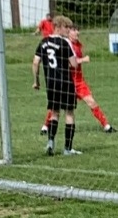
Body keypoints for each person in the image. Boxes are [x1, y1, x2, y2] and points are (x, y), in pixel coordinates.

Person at [42, 26, 116, 135]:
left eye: (78, 30)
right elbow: (65, 63)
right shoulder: (64, 45)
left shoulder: (78, 45)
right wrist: (83, 60)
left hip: (79, 82)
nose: (77, 32)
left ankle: (106, 126)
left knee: (91, 102)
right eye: (74, 30)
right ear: (68, 32)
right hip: (67, 82)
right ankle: (45, 127)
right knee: (56, 105)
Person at [32, 16, 82, 156]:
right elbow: (74, 64)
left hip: (51, 83)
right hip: (65, 82)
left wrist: (36, 81)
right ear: (58, 27)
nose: (68, 30)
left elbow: (35, 62)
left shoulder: (43, 42)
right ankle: (67, 148)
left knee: (54, 113)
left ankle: (50, 143)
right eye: (67, 27)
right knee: (69, 114)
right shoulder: (65, 43)